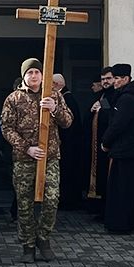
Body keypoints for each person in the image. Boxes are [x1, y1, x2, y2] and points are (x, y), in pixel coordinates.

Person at [2, 58, 73, 262]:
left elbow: (68, 122)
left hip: (50, 157)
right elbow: (6, 128)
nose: (34, 76)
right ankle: (28, 245)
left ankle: (43, 238)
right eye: (30, 72)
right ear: (24, 75)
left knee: (52, 199)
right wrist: (27, 148)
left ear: (43, 75)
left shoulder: (54, 95)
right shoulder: (14, 99)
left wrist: (55, 109)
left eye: (37, 72)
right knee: (24, 204)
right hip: (24, 159)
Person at [99, 63, 134, 235]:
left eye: (117, 79)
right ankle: (127, 221)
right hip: (129, 150)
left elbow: (118, 124)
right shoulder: (128, 96)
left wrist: (105, 141)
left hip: (125, 150)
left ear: (125, 79)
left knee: (122, 189)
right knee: (127, 187)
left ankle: (121, 223)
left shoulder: (127, 99)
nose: (115, 82)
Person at [53, 73, 84, 209]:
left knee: (68, 174)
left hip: (68, 144)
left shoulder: (66, 99)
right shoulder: (67, 97)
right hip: (68, 143)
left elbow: (69, 123)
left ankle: (68, 201)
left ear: (56, 85)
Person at [87, 67, 116, 207]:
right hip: (98, 142)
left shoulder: (115, 94)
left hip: (108, 143)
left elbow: (111, 114)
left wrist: (101, 108)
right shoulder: (102, 94)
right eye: (103, 79)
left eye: (108, 79)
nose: (105, 81)